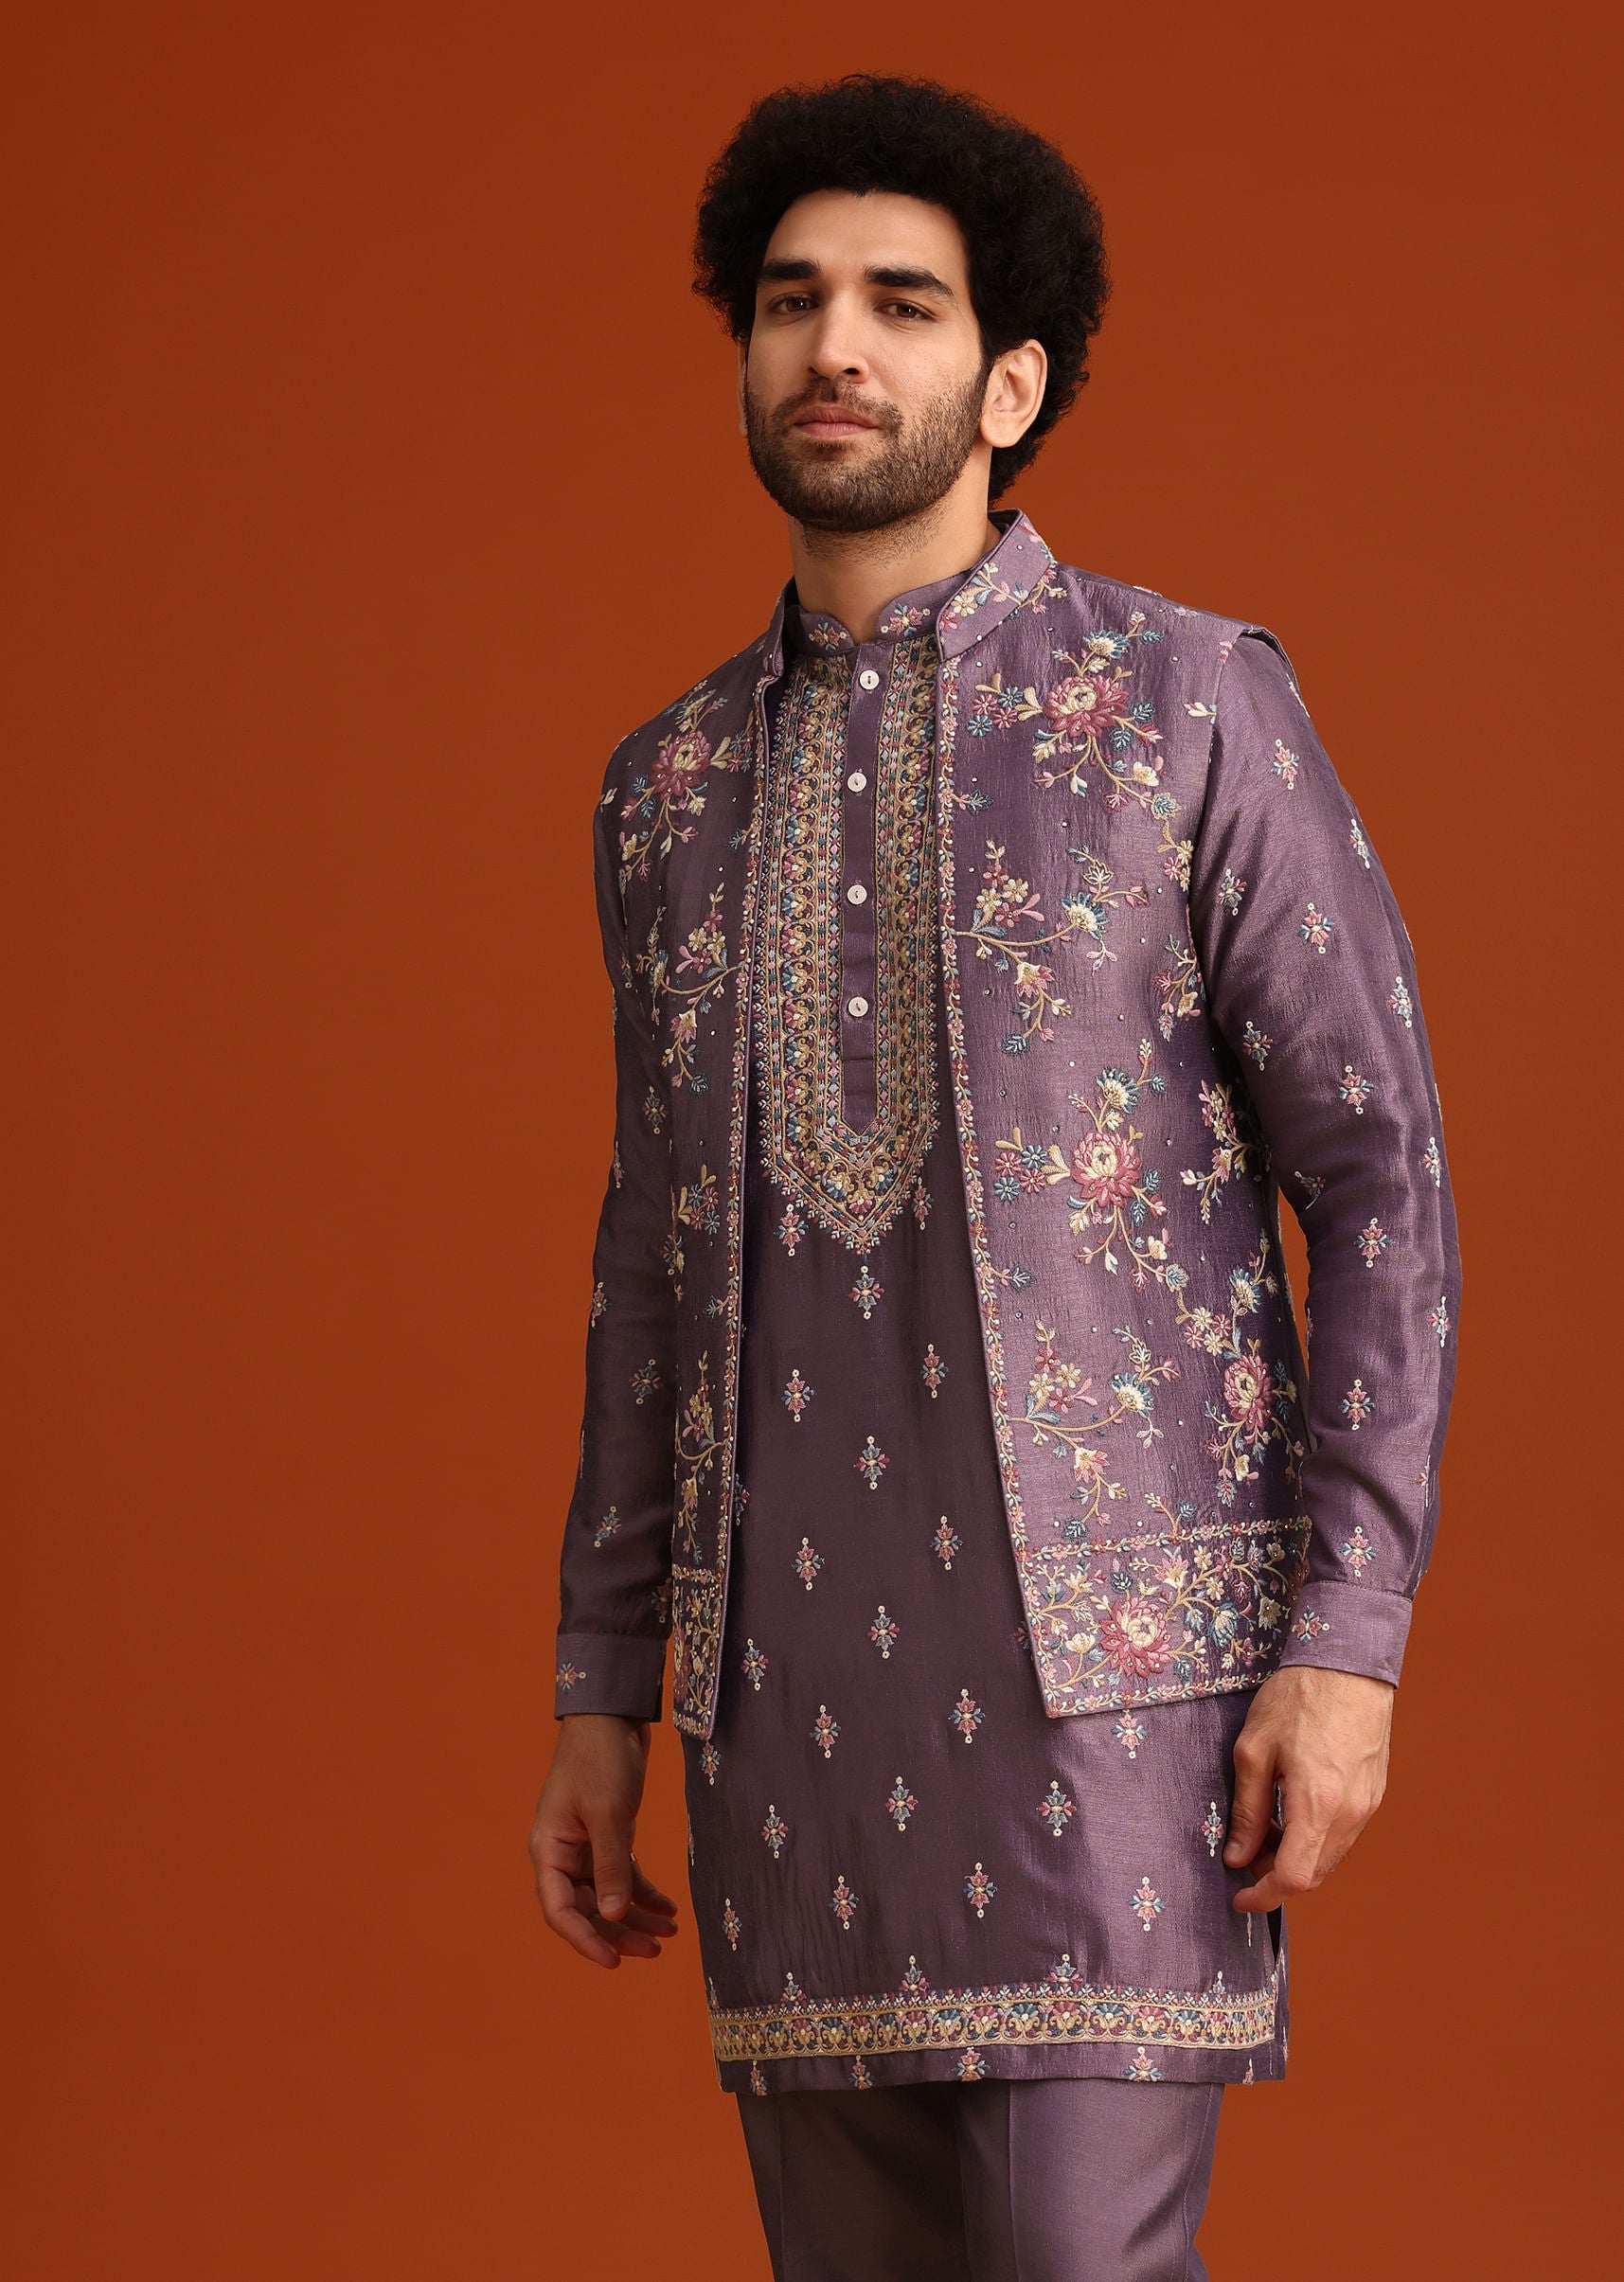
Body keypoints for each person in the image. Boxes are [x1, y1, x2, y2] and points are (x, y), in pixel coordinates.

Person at [529, 72, 1461, 2281]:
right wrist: (600, 1690)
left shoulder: (1185, 704)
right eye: (790, 301)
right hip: (787, 1709)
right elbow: (653, 1266)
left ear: (1011, 381)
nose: (834, 346)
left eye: (902, 303)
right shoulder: (664, 792)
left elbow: (1383, 1174)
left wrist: (1351, 1637)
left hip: (1115, 1694)